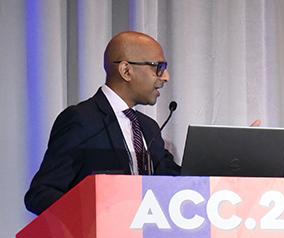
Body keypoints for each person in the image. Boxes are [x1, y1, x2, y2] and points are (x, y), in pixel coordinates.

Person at [25, 31, 181, 215]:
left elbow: (174, 181)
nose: (165, 77)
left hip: (148, 233)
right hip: (96, 232)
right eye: (159, 67)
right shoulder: (81, 119)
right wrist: (94, 215)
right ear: (126, 70)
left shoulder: (149, 127)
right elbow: (41, 194)